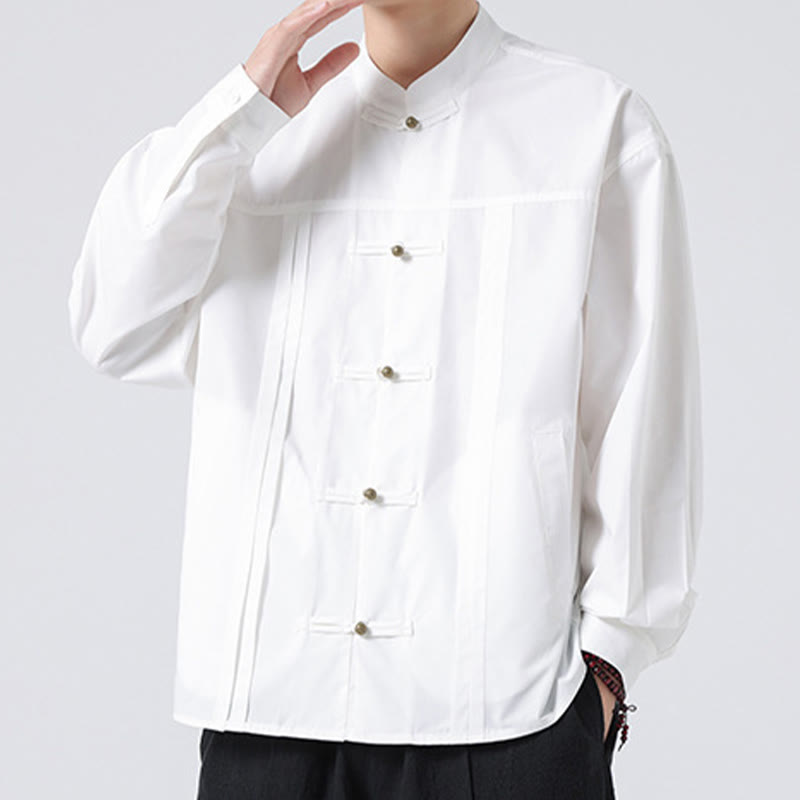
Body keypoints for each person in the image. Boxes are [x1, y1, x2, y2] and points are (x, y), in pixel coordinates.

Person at [67, 1, 703, 797]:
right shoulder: (255, 134)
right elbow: (112, 327)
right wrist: (240, 115)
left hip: (509, 719)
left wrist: (608, 667)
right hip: (270, 717)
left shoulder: (595, 125)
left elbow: (644, 412)